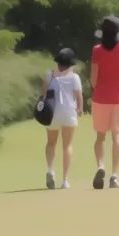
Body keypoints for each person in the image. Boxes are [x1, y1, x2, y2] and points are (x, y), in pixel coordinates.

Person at [90, 16, 119, 189]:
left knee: (100, 136)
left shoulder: (97, 50)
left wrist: (98, 86)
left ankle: (101, 165)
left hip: (100, 97)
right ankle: (114, 176)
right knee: (117, 136)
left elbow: (93, 79)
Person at [40, 48, 83, 189]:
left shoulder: (49, 75)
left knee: (51, 143)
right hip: (68, 112)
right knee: (67, 146)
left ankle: (50, 170)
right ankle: (65, 180)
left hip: (52, 113)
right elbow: (78, 96)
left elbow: (42, 95)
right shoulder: (74, 77)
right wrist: (80, 109)